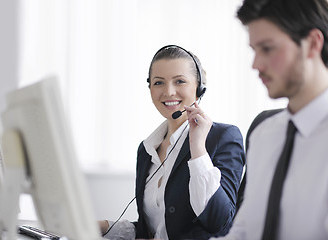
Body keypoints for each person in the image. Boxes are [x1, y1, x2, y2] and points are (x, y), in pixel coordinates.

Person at [211, 0, 328, 239]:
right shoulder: (264, 134)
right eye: (254, 51)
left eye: (267, 49)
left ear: (313, 43)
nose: (255, 65)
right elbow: (245, 231)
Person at [99, 45, 246, 240]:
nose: (168, 92)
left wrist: (198, 148)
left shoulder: (223, 137)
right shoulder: (147, 150)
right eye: (159, 83)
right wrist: (101, 226)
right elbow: (156, 229)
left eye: (180, 81)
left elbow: (218, 221)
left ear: (199, 88)